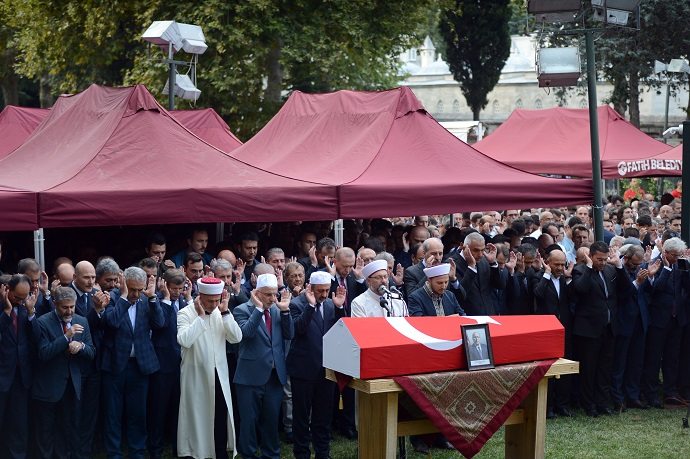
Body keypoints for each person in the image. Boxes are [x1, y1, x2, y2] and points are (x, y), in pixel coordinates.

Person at [101, 267, 165, 459]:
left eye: (140, 289)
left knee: (138, 413)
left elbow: (159, 323)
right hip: (115, 365)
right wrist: (123, 298)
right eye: (132, 289)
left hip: (140, 366)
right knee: (113, 414)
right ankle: (114, 454)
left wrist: (152, 298)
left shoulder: (147, 299)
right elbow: (111, 322)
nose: (136, 294)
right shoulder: (112, 297)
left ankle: (137, 452)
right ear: (123, 284)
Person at [177, 277, 243, 459]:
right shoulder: (185, 313)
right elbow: (184, 340)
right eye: (210, 301)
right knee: (197, 415)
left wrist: (226, 313)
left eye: (217, 300)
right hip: (195, 375)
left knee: (220, 416)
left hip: (219, 374)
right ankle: (196, 453)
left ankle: (219, 452)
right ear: (200, 296)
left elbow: (236, 338)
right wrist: (200, 317)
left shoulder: (221, 311)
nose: (214, 305)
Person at [232, 273, 294, 459]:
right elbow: (246, 333)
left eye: (275, 294)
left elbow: (289, 334)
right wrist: (258, 309)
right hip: (249, 377)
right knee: (249, 421)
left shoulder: (277, 309)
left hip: (274, 376)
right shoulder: (241, 310)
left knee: (271, 420)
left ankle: (271, 455)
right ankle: (248, 454)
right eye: (268, 294)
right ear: (256, 293)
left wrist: (285, 311)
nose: (273, 298)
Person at [288, 272, 346, 459]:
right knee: (301, 417)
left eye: (327, 290)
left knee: (323, 416)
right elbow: (298, 329)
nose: (324, 294)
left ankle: (323, 453)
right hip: (303, 371)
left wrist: (339, 308)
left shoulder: (330, 304)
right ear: (310, 288)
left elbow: (340, 330)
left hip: (326, 370)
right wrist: (311, 306)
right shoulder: (296, 304)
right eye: (320, 291)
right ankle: (302, 453)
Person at [32, 286, 95, 459]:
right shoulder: (42, 322)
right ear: (55, 304)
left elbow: (92, 352)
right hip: (48, 387)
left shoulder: (82, 321)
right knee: (45, 434)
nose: (69, 311)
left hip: (72, 387)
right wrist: (66, 337)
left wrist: (81, 347)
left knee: (67, 431)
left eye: (72, 307)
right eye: (64, 307)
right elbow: (43, 353)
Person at [571, 241, 631, 417]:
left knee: (605, 368)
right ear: (591, 256)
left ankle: (602, 403)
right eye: (599, 259)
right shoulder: (580, 270)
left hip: (609, 328)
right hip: (589, 329)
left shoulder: (610, 270)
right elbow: (580, 289)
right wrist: (590, 268)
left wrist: (619, 267)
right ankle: (588, 404)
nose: (603, 262)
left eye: (605, 259)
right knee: (589, 368)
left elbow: (627, 289)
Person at [642, 237, 690, 408]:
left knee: (672, 358)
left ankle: (670, 392)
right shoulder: (656, 264)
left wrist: (687, 268)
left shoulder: (681, 265)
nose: (677, 258)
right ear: (666, 252)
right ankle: (651, 393)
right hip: (659, 320)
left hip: (677, 319)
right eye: (675, 255)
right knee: (654, 358)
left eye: (680, 255)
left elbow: (687, 287)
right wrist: (667, 269)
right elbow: (656, 289)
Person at [148, 269, 189, 459]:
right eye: (174, 288)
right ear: (164, 285)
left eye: (180, 289)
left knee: (178, 409)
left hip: (181, 365)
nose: (177, 292)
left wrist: (187, 298)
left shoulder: (183, 302)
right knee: (158, 409)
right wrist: (164, 298)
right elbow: (160, 324)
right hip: (162, 365)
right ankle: (155, 450)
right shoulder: (156, 301)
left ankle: (178, 447)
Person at [533, 246, 574, 417]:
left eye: (562, 264)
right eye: (556, 264)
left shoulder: (564, 279)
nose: (560, 268)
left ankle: (562, 404)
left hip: (564, 329)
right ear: (547, 262)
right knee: (549, 370)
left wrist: (569, 278)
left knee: (564, 368)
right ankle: (547, 406)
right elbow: (538, 294)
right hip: (546, 331)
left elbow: (572, 298)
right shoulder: (538, 277)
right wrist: (546, 274)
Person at [611, 244, 652, 412]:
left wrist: (650, 277)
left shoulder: (640, 269)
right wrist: (637, 282)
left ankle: (633, 396)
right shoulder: (616, 269)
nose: (637, 267)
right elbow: (622, 294)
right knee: (620, 362)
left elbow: (647, 291)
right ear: (626, 258)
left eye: (639, 264)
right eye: (635, 264)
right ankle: (618, 398)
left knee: (636, 362)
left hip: (640, 321)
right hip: (623, 322)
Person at [0, 274, 36, 458]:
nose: (21, 301)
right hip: (2, 374)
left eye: (25, 297)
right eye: (17, 297)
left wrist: (30, 313)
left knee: (19, 424)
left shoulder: (25, 308)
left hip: (21, 377)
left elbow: (35, 338)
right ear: (6, 290)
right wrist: (6, 311)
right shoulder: (3, 308)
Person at [448, 232, 506, 315]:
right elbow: (459, 295)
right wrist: (471, 268)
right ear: (463, 247)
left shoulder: (484, 261)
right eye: (476, 250)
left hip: (489, 315)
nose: (480, 255)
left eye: (482, 250)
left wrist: (493, 263)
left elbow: (500, 285)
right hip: (468, 316)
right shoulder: (452, 264)